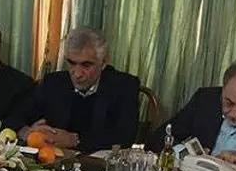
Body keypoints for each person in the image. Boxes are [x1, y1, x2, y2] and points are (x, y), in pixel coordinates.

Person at [8, 27, 140, 152]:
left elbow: (125, 137)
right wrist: (27, 132)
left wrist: (75, 140)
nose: (77, 74)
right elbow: (13, 117)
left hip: (99, 164)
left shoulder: (125, 86)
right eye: (72, 63)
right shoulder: (53, 83)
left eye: (86, 65)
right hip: (54, 160)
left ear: (104, 62)